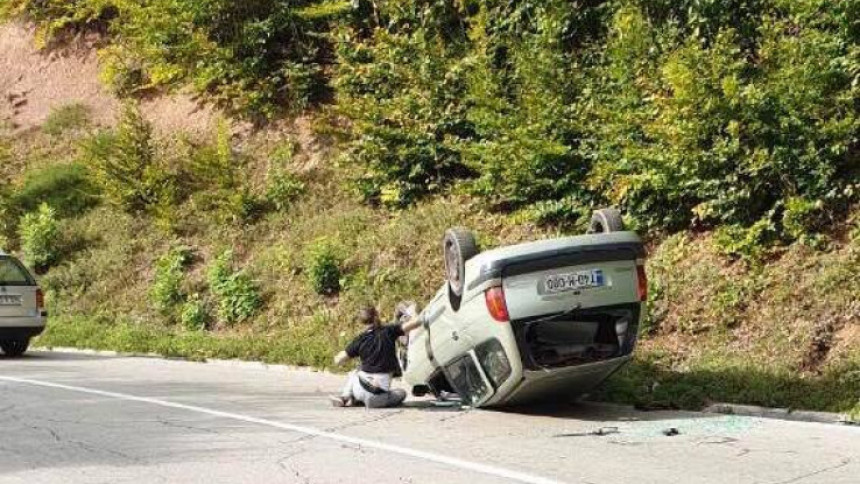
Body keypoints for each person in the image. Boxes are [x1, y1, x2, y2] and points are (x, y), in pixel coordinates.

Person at [331, 305, 422, 408]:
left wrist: (341, 356)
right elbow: (417, 322)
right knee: (402, 393)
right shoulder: (389, 330)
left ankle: (346, 397)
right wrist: (414, 311)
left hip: (359, 390)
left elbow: (338, 360)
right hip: (377, 396)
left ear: (361, 322)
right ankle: (361, 399)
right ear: (376, 316)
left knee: (356, 372)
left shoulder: (360, 339)